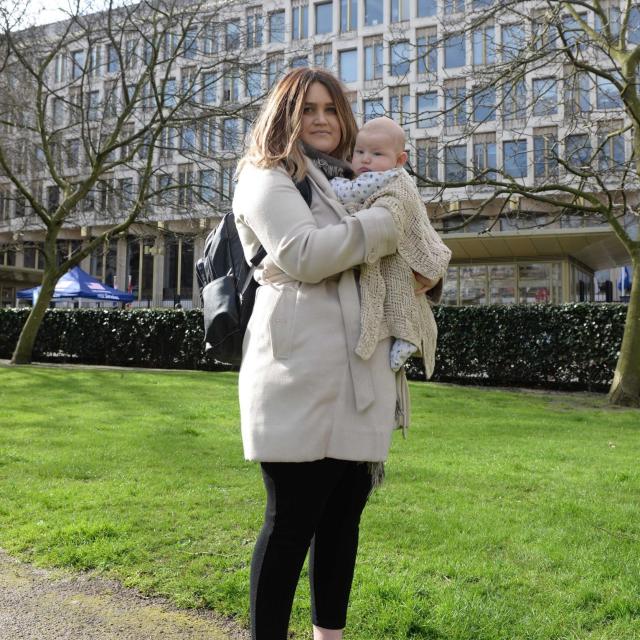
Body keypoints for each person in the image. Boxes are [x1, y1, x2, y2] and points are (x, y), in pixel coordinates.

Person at [232, 68, 447, 640]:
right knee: (290, 524)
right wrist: (386, 224)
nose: (322, 119)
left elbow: (406, 250)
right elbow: (304, 254)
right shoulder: (267, 177)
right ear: (285, 115)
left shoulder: (353, 177)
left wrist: (425, 273)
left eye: (331, 108)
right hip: (298, 373)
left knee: (343, 519)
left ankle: (330, 635)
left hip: (360, 372)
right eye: (308, 109)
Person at [330, 116, 452, 375]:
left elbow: (350, 193)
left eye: (376, 153)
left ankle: (407, 334)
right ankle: (405, 336)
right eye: (359, 152)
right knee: (394, 289)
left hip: (399, 253)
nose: (365, 160)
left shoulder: (389, 178)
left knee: (398, 288)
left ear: (399, 161)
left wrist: (333, 184)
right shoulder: (378, 174)